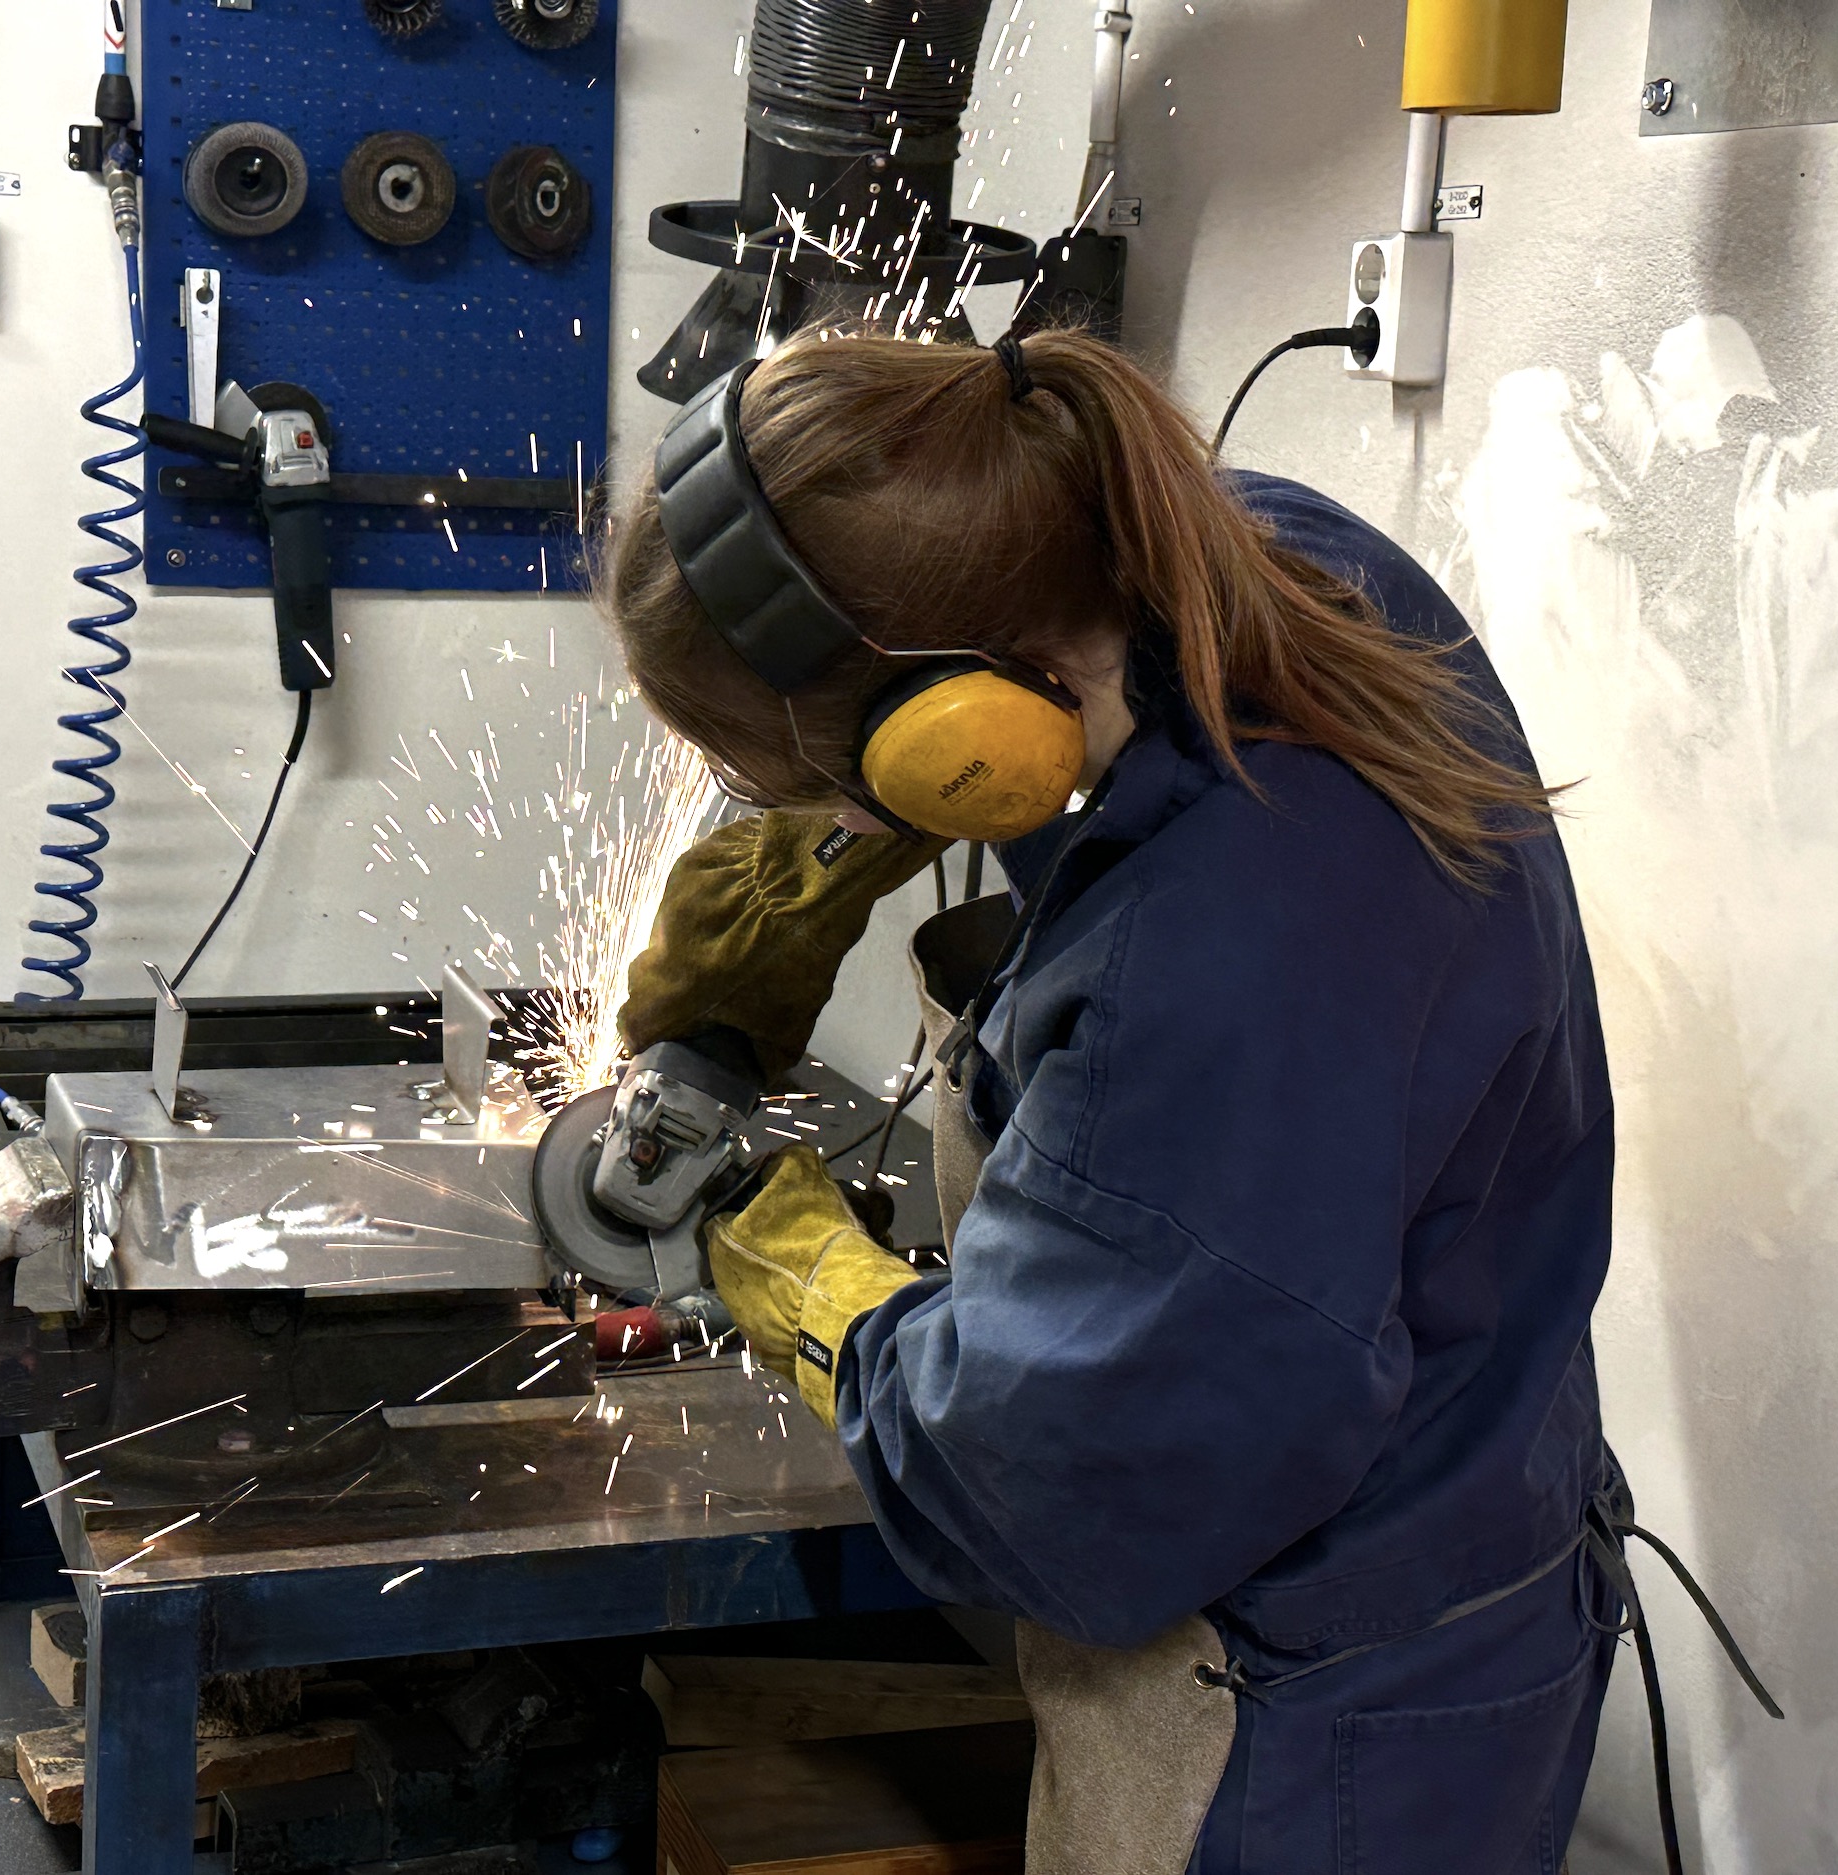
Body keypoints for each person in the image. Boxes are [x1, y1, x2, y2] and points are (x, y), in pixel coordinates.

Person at [597, 328, 1620, 1874]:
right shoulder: (1239, 557)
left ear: (958, 744)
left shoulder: (1213, 975)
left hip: (1302, 1723)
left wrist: (816, 1289)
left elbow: (1052, 1490)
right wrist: (810, 867)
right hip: (1472, 1535)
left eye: (847, 784)